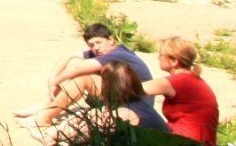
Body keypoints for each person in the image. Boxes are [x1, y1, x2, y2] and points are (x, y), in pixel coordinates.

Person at [17, 22, 153, 127]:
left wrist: (55, 82)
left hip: (135, 104)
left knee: (83, 77)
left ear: (111, 40)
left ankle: (45, 118)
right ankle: (43, 108)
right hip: (120, 95)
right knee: (75, 64)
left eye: (99, 42)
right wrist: (52, 77)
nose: (96, 48)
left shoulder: (118, 54)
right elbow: (71, 56)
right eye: (91, 45)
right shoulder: (103, 52)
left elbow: (77, 68)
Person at [143, 36, 220, 146]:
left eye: (161, 55)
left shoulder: (178, 81)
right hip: (201, 144)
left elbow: (133, 89)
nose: (158, 58)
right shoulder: (192, 79)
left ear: (174, 61)